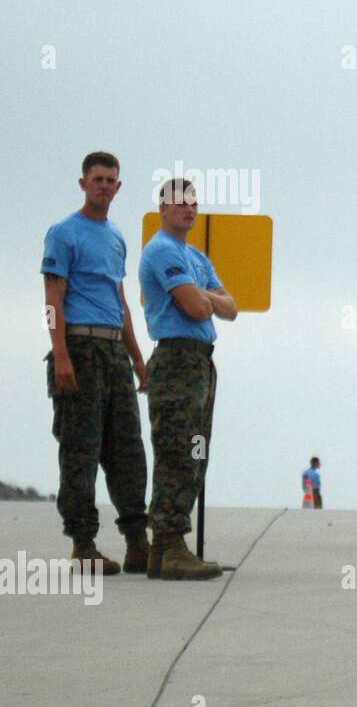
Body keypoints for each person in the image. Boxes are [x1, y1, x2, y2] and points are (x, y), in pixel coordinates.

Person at [41, 151, 151, 575]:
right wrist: (62, 354)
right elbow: (53, 299)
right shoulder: (64, 233)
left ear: (118, 187)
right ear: (83, 183)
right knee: (80, 448)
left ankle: (137, 540)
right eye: (97, 179)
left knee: (127, 449)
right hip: (80, 348)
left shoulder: (116, 237)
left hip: (113, 352)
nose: (104, 186)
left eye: (111, 180)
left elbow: (119, 300)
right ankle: (83, 543)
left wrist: (138, 360)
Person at [138, 178, 238, 579]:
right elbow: (197, 308)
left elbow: (230, 308)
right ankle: (170, 540)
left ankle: (165, 550)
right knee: (177, 451)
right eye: (181, 203)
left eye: (194, 203)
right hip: (176, 360)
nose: (190, 210)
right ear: (163, 209)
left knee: (196, 452)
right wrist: (207, 298)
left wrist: (207, 296)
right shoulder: (162, 250)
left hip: (200, 363)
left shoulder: (196, 257)